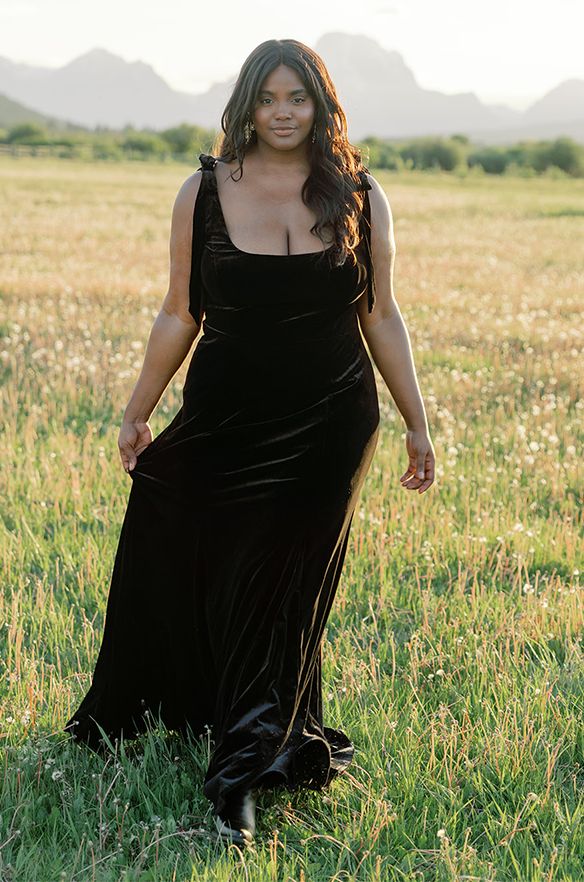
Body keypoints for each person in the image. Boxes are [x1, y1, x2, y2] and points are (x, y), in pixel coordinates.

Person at [64, 38, 435, 847]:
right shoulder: (203, 190)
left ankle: (239, 778)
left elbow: (381, 316)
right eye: (267, 97)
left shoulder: (361, 195)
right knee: (196, 550)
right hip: (225, 418)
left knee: (283, 589)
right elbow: (179, 312)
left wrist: (416, 419)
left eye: (297, 97)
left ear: (320, 103)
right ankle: (211, 711)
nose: (282, 112)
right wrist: (137, 410)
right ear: (245, 103)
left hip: (331, 422)